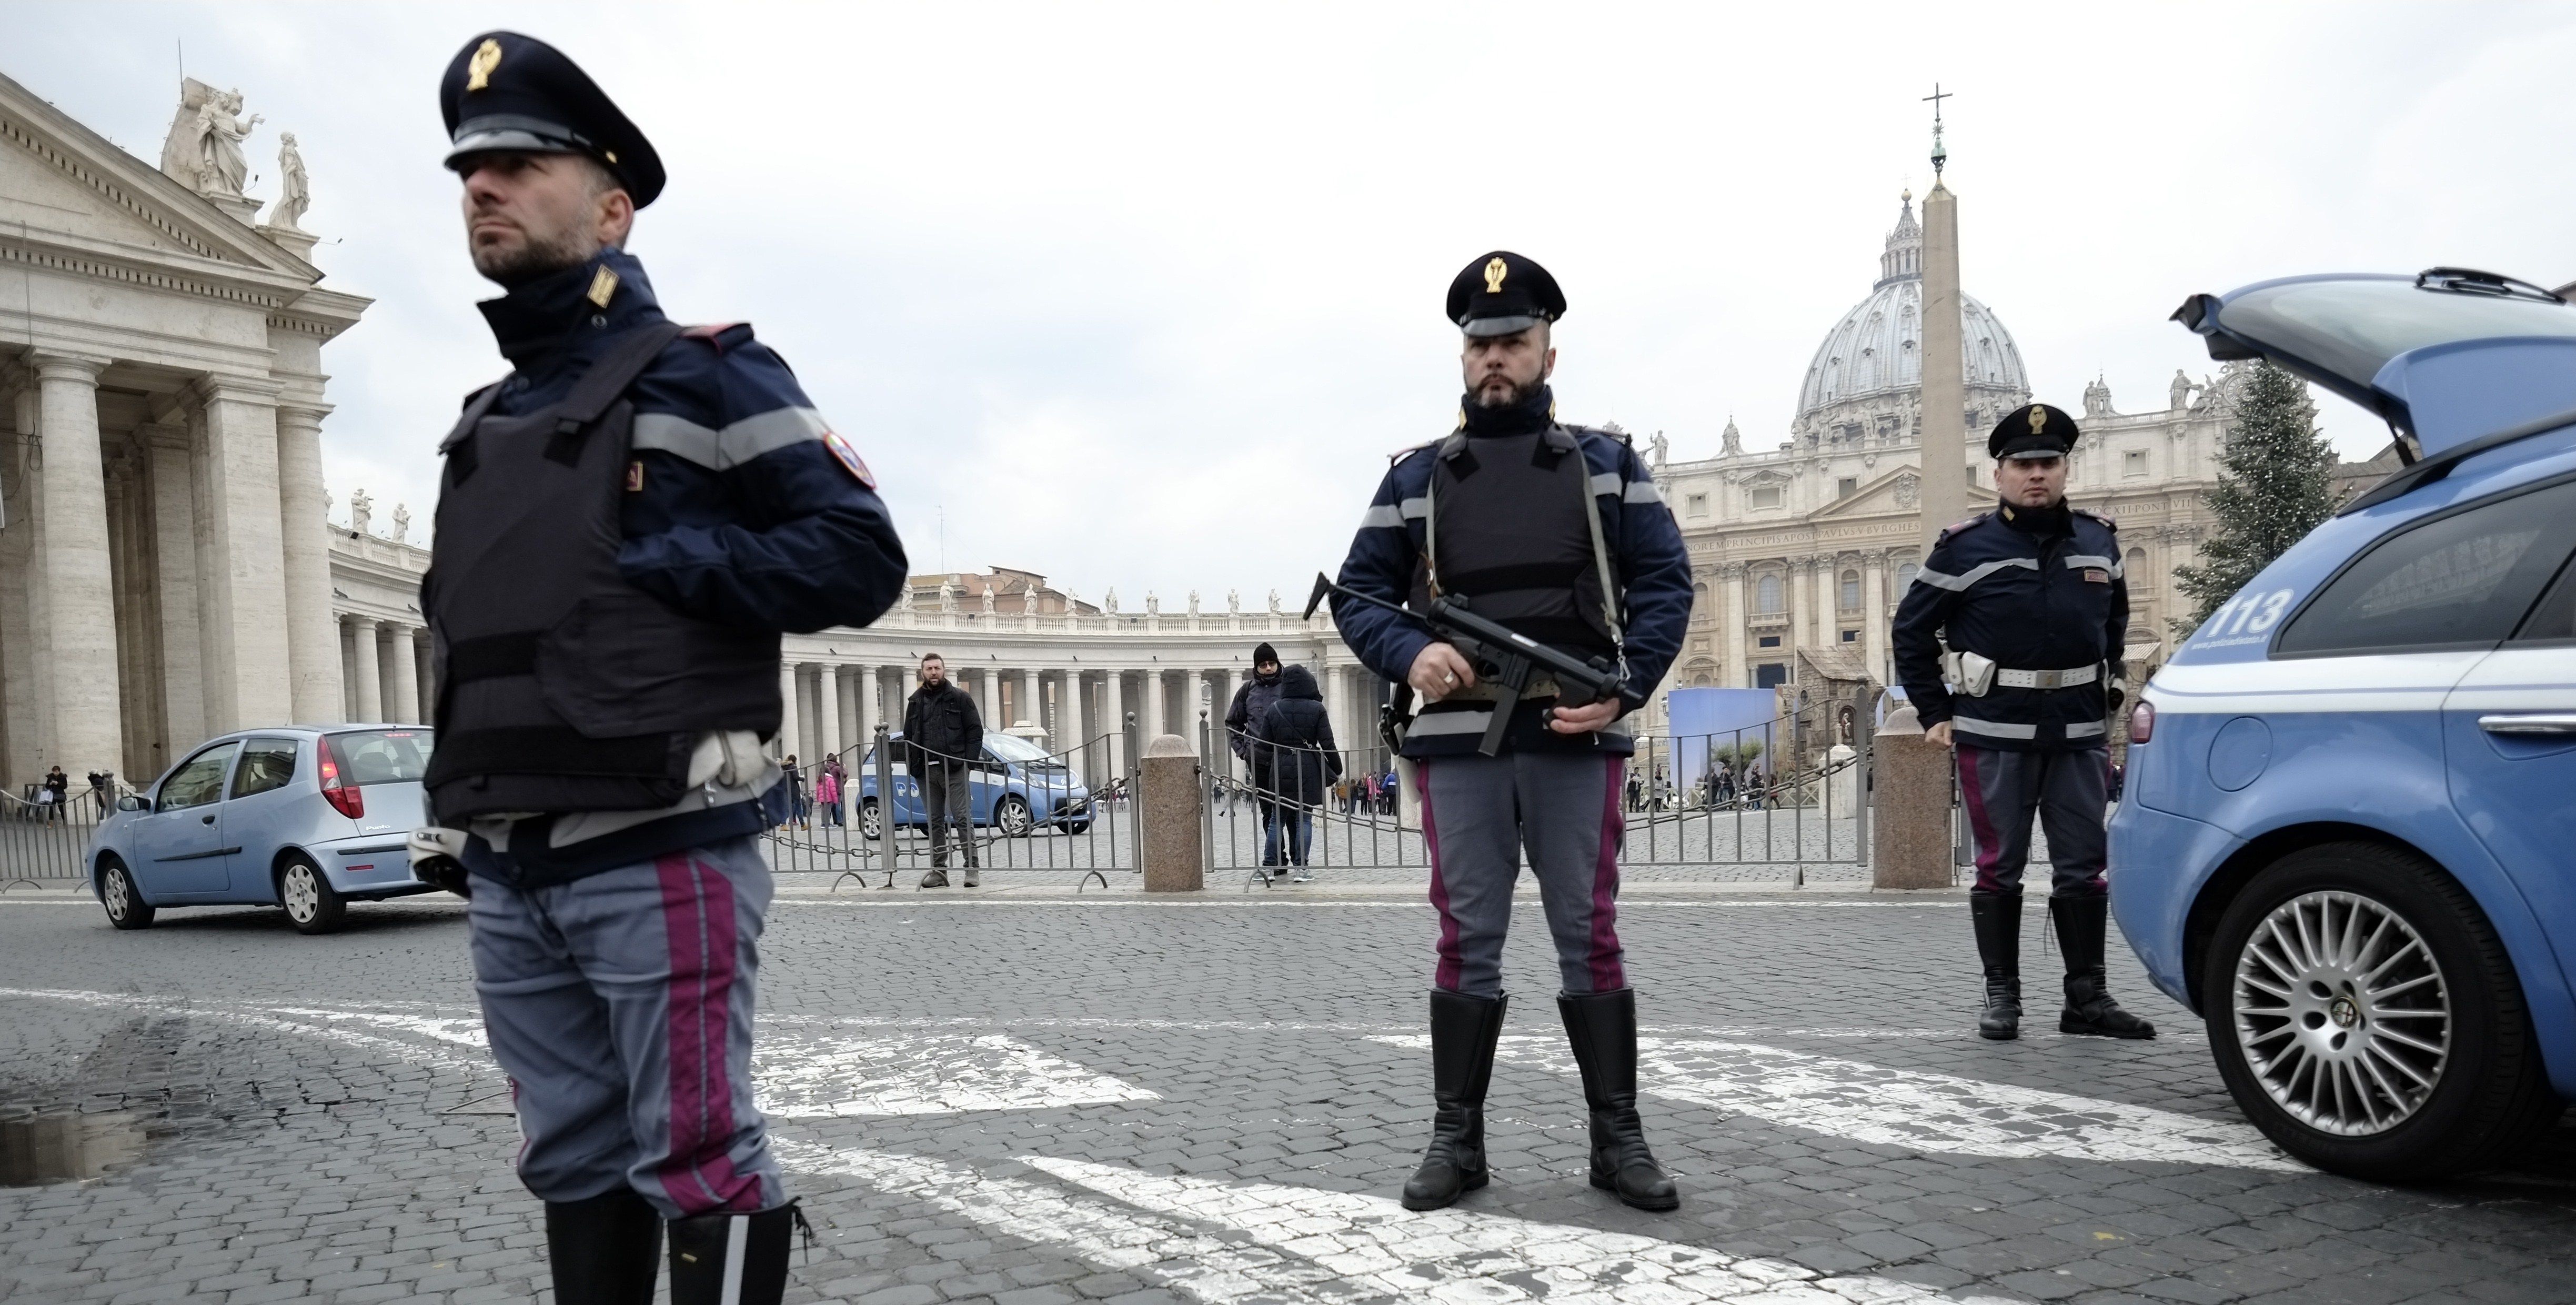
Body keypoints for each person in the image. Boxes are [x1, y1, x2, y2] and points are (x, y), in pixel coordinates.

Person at [408, 32, 907, 1305]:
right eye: (470, 169)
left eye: (520, 163)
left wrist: (676, 560)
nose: (483, 186)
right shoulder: (482, 421)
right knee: (567, 1154)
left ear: (614, 205)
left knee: (696, 1151)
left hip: (657, 840)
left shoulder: (710, 368)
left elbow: (860, 555)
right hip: (512, 861)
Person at [1331, 252, 1693, 1213]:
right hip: (1458, 740)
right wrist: (1408, 655)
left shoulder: (1608, 465)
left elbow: (1665, 586)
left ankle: (1618, 1143)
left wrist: (1626, 690)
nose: (1496, 360)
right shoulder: (1414, 477)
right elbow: (1361, 594)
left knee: (1591, 938)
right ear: (1463, 355)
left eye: (1513, 343)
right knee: (1467, 940)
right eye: (1480, 345)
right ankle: (1457, 1143)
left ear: (1548, 350)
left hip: (1579, 732)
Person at [1891, 401, 2154, 1045]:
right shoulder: (1965, 547)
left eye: (2048, 463)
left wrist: (2109, 682)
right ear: (2000, 471)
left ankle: (2087, 997)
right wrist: (1934, 711)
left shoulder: (2099, 539)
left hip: (2075, 732)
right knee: (1999, 865)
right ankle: (2003, 994)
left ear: (2066, 468)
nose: (2036, 475)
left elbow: (2114, 624)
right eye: (2023, 464)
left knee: (2083, 865)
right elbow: (1910, 628)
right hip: (1995, 729)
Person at [902, 653, 982, 888]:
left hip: (955, 768)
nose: (934, 672)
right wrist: (913, 766)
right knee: (934, 821)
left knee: (962, 818)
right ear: (922, 673)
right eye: (929, 669)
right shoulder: (915, 701)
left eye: (937, 668)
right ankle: (939, 871)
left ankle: (972, 869)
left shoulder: (960, 698)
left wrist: (967, 764)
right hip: (926, 771)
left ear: (944, 670)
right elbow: (908, 736)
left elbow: (975, 732)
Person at [1259, 664, 1340, 882]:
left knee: (1277, 819)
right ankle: (1302, 868)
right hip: (1308, 769)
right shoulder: (1317, 709)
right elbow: (1328, 742)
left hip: (1280, 766)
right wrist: (1337, 767)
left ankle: (1269, 866)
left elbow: (1264, 745)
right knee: (1304, 820)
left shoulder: (1274, 709)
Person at [1223, 644, 1290, 866]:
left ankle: (1298, 859)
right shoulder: (1246, 690)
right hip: (1259, 760)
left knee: (1292, 811)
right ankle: (1277, 858)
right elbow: (1233, 723)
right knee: (1268, 811)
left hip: (1289, 757)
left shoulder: (1290, 685)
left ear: (1278, 664)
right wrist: (1243, 752)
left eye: (1272, 663)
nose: (1268, 668)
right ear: (1256, 668)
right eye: (1263, 665)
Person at [813, 765, 841, 829]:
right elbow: (833, 790)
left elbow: (817, 790)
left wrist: (818, 797)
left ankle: (823, 823)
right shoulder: (830, 779)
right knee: (828, 811)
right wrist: (836, 800)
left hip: (822, 798)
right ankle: (827, 824)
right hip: (829, 798)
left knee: (823, 811)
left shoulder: (819, 779)